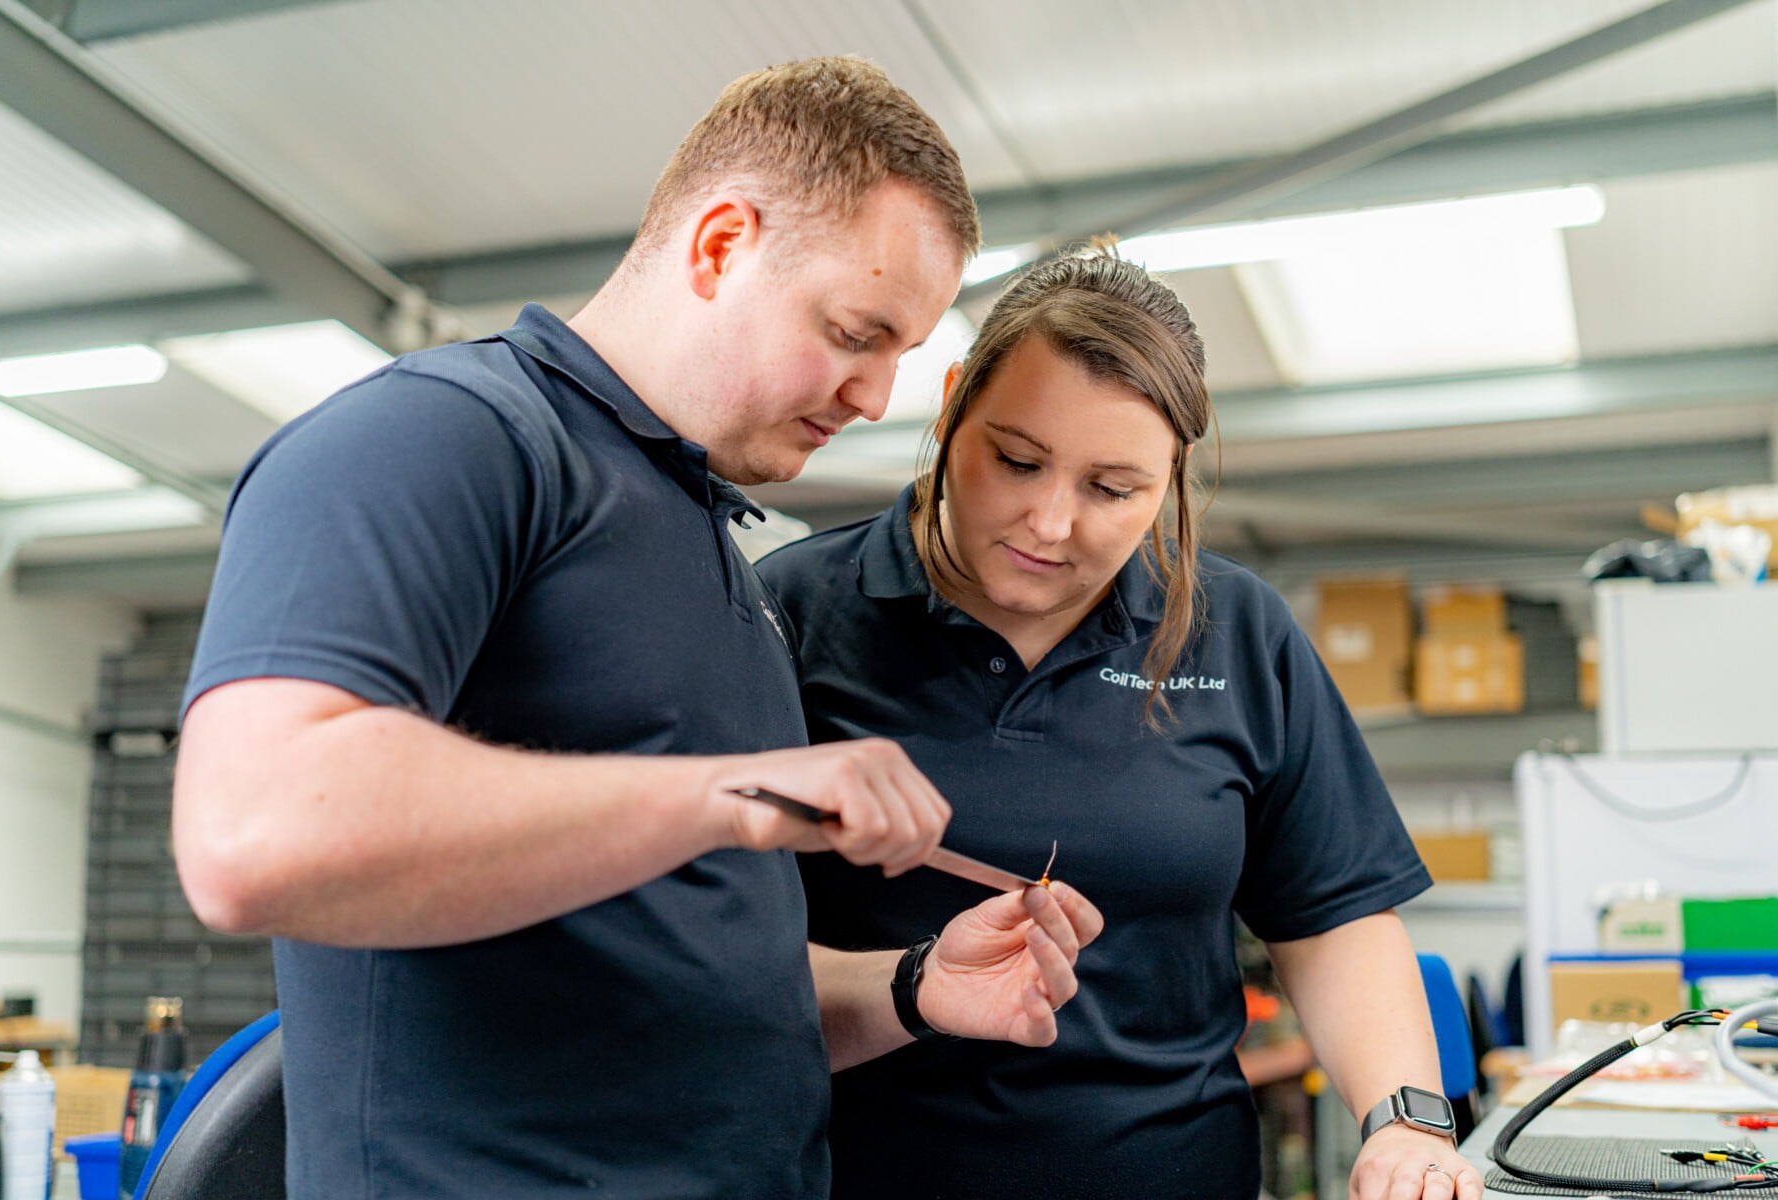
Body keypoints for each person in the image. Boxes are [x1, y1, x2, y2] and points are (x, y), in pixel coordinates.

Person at [171, 57, 1101, 1200]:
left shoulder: (712, 548)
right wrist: (737, 795)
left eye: (900, 357)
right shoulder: (445, 441)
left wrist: (911, 986)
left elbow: (689, 977)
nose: (875, 397)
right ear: (720, 245)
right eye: (857, 333)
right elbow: (250, 832)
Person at [757, 246, 1483, 1200]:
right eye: (1016, 461)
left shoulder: (1237, 631)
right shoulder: (791, 614)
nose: (1050, 523)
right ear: (950, 407)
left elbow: (1335, 915)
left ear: (1170, 475)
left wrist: (1404, 1123)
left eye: (1112, 489)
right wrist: (913, 984)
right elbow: (718, 953)